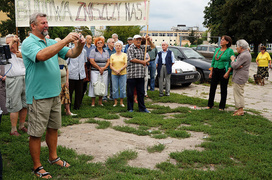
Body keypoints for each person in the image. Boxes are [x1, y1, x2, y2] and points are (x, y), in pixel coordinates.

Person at [21, 12, 85, 178]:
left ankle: (53, 157)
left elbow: (71, 54)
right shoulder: (28, 43)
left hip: (54, 94)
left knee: (53, 128)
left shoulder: (50, 42)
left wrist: (80, 45)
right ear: (33, 26)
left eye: (47, 22)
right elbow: (41, 56)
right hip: (38, 96)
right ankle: (37, 167)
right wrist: (65, 40)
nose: (46, 25)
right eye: (42, 23)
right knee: (36, 133)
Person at [5, 34, 28, 136]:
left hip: (25, 79)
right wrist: (11, 43)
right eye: (8, 43)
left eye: (13, 42)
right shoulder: (5, 53)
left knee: (25, 104)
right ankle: (13, 130)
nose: (10, 45)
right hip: (13, 80)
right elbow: (6, 50)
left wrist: (22, 55)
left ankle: (21, 125)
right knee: (14, 105)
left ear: (18, 43)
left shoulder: (22, 52)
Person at [126, 35, 155, 113]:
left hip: (141, 74)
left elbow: (152, 47)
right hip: (132, 74)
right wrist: (143, 62)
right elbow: (132, 59)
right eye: (137, 40)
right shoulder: (130, 48)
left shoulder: (142, 47)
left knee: (141, 92)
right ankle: (130, 108)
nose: (138, 41)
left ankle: (142, 108)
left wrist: (149, 40)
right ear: (133, 40)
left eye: (139, 40)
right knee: (130, 93)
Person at [207, 35, 234, 110]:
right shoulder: (217, 50)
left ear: (227, 42)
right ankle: (210, 104)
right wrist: (211, 72)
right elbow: (213, 61)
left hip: (224, 71)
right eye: (221, 39)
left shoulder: (230, 51)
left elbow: (232, 62)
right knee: (212, 88)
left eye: (223, 40)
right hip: (215, 70)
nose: (221, 41)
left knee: (223, 89)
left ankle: (221, 106)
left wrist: (228, 72)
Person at [55, 38, 77, 116]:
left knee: (66, 97)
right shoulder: (52, 57)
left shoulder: (63, 57)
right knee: (57, 98)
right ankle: (57, 113)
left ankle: (68, 111)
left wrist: (67, 80)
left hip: (64, 81)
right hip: (56, 82)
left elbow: (66, 69)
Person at [231, 39, 252, 116]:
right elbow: (237, 65)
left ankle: (240, 110)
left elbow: (234, 65)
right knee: (238, 92)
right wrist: (237, 65)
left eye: (237, 46)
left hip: (240, 77)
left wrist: (233, 60)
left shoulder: (243, 55)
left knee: (239, 93)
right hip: (241, 76)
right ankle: (239, 109)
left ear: (241, 47)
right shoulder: (246, 54)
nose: (236, 48)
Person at [88, 37, 110, 106]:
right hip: (95, 71)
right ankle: (93, 102)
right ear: (96, 44)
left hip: (104, 71)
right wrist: (99, 68)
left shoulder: (106, 51)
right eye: (98, 43)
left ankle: (100, 102)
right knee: (94, 84)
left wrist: (103, 68)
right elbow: (92, 61)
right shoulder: (93, 51)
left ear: (103, 44)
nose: (100, 44)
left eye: (101, 43)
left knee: (102, 84)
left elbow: (108, 61)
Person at [67, 40, 87, 110]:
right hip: (72, 73)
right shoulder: (69, 50)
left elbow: (84, 62)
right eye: (77, 41)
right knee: (70, 91)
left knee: (79, 91)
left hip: (80, 74)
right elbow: (67, 63)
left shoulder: (84, 51)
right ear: (74, 42)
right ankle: (68, 106)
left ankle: (77, 106)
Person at [110, 41, 127, 107]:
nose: (118, 47)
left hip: (123, 73)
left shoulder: (124, 55)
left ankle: (121, 102)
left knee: (122, 88)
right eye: (116, 46)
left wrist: (119, 70)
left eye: (119, 46)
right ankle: (115, 102)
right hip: (114, 74)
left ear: (121, 47)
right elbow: (111, 65)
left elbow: (126, 64)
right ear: (114, 47)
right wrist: (115, 70)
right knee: (115, 88)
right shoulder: (112, 55)